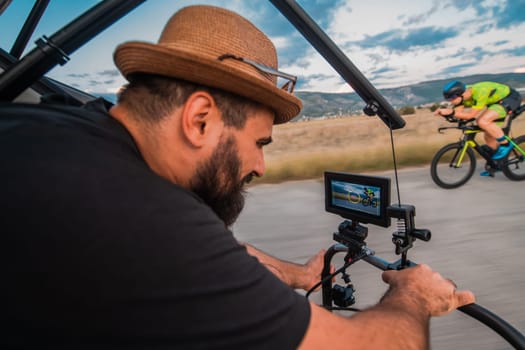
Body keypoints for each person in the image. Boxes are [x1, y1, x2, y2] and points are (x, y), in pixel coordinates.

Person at [0, 5, 474, 349]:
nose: (260, 167)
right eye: (260, 143)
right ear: (200, 118)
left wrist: (300, 275)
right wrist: (414, 296)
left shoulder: (72, 131)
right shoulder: (131, 214)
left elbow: (211, 254)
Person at [435, 80, 522, 175]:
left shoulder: (479, 91)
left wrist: (450, 112)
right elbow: (459, 113)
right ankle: (496, 164)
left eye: (452, 98)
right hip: (494, 103)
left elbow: (470, 116)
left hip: (509, 98)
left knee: (482, 121)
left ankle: (505, 144)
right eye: (448, 99)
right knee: (488, 135)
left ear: (461, 93)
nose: (451, 101)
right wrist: (446, 115)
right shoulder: (460, 98)